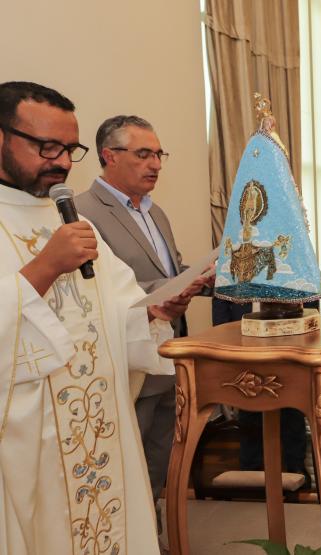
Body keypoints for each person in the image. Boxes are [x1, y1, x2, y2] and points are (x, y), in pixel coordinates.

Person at [0, 81, 179, 553]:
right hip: (27, 445)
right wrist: (44, 268)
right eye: (47, 147)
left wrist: (154, 312)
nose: (61, 162)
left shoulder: (75, 223)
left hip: (97, 430)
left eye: (69, 149)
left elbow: (118, 310)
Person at [74, 115, 213, 530]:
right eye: (143, 154)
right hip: (129, 357)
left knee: (159, 458)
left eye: (159, 154)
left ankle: (152, 532)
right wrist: (167, 291)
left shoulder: (156, 213)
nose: (155, 164)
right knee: (124, 460)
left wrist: (204, 277)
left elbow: (170, 272)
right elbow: (92, 289)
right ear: (109, 156)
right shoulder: (81, 212)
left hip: (170, 351)